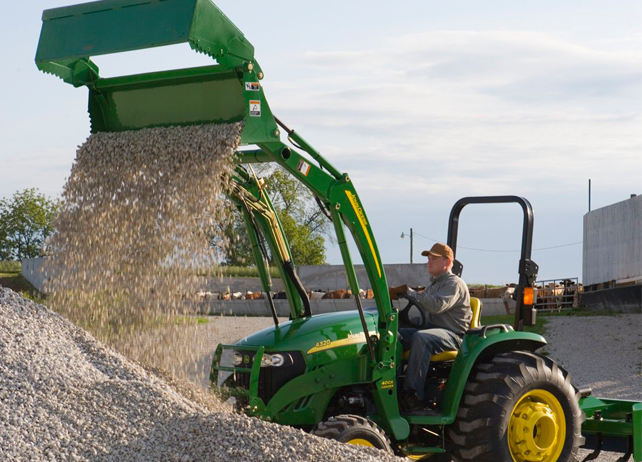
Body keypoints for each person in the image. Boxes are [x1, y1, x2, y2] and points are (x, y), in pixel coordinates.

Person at [390, 243, 472, 411]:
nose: (429, 261)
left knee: (422, 338)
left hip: (454, 335)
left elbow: (437, 306)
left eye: (434, 258)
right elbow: (424, 312)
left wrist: (411, 293)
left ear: (448, 262)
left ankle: (412, 395)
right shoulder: (433, 285)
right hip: (434, 330)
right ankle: (390, 386)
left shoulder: (454, 283)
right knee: (393, 335)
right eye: (428, 258)